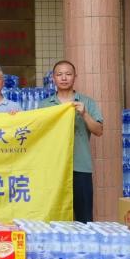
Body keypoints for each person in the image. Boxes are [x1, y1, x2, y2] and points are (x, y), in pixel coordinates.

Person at [40, 60, 103, 222]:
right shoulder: (44, 105)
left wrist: (84, 114)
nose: (64, 78)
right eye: (59, 74)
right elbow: (38, 134)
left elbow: (99, 131)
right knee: (53, 217)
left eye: (68, 74)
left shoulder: (87, 102)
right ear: (53, 78)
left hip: (80, 165)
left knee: (84, 218)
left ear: (75, 77)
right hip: (53, 168)